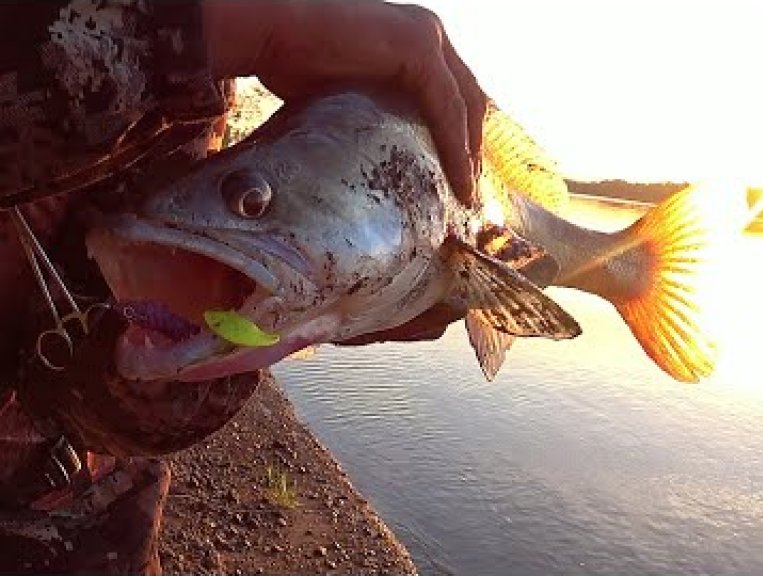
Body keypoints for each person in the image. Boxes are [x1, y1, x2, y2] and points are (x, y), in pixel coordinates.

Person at [0, 1, 486, 572]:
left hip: (77, 522)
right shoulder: (231, 30)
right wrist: (220, 29)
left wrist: (276, 322)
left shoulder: (210, 95)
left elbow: (109, 408)